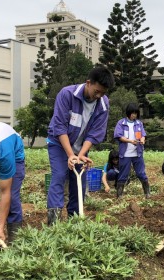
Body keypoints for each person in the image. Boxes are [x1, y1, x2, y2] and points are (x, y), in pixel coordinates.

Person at [46, 65, 115, 225]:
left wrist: (81, 154)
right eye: (97, 91)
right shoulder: (67, 94)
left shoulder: (103, 103)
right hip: (59, 143)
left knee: (79, 182)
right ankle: (53, 222)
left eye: (103, 93)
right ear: (88, 83)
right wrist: (71, 155)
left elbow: (95, 133)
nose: (99, 96)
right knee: (59, 176)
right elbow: (60, 127)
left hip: (80, 147)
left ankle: (74, 220)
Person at [113, 103, 150, 198]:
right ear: (128, 113)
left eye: (136, 113)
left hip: (137, 153)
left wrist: (142, 140)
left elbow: (142, 135)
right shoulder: (121, 123)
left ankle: (147, 193)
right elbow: (119, 136)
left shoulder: (139, 123)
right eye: (132, 113)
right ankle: (119, 195)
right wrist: (130, 141)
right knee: (123, 174)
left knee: (141, 173)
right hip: (125, 153)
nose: (134, 115)